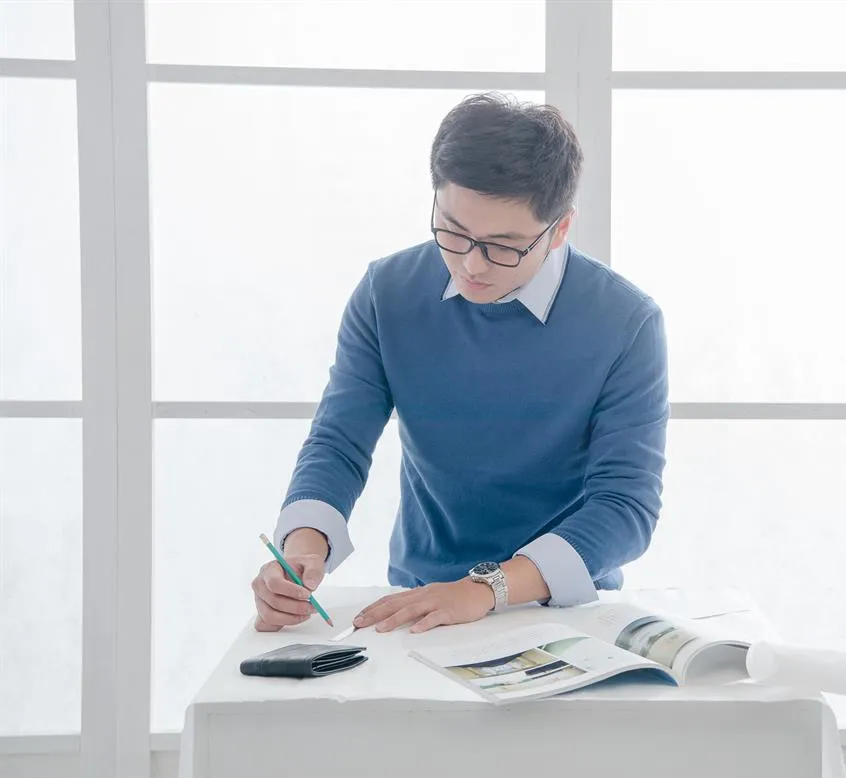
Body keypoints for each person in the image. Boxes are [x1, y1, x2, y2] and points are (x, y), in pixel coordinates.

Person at [249, 92, 669, 635]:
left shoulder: (625, 322)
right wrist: (302, 549)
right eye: (453, 231)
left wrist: (485, 590)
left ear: (560, 228)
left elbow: (625, 505)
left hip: (565, 612)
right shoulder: (386, 293)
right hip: (419, 602)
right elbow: (338, 441)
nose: (471, 264)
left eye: (503, 245)